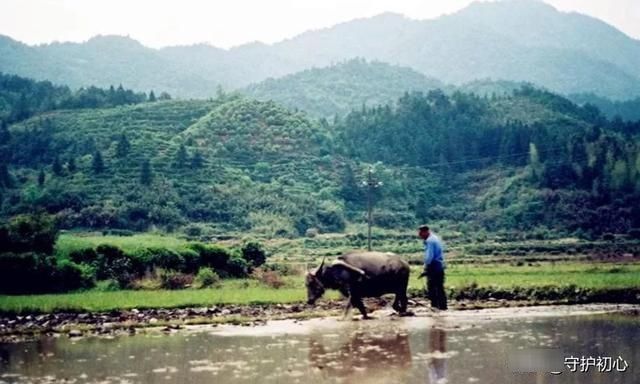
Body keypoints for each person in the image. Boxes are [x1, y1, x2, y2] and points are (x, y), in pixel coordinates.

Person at [418, 224, 447, 310]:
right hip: (439, 265)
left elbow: (429, 257)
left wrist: (425, 269)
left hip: (433, 266)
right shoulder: (435, 238)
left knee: (432, 288)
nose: (420, 235)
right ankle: (443, 307)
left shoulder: (430, 241)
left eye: (421, 233)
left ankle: (434, 307)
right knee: (439, 287)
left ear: (425, 232)